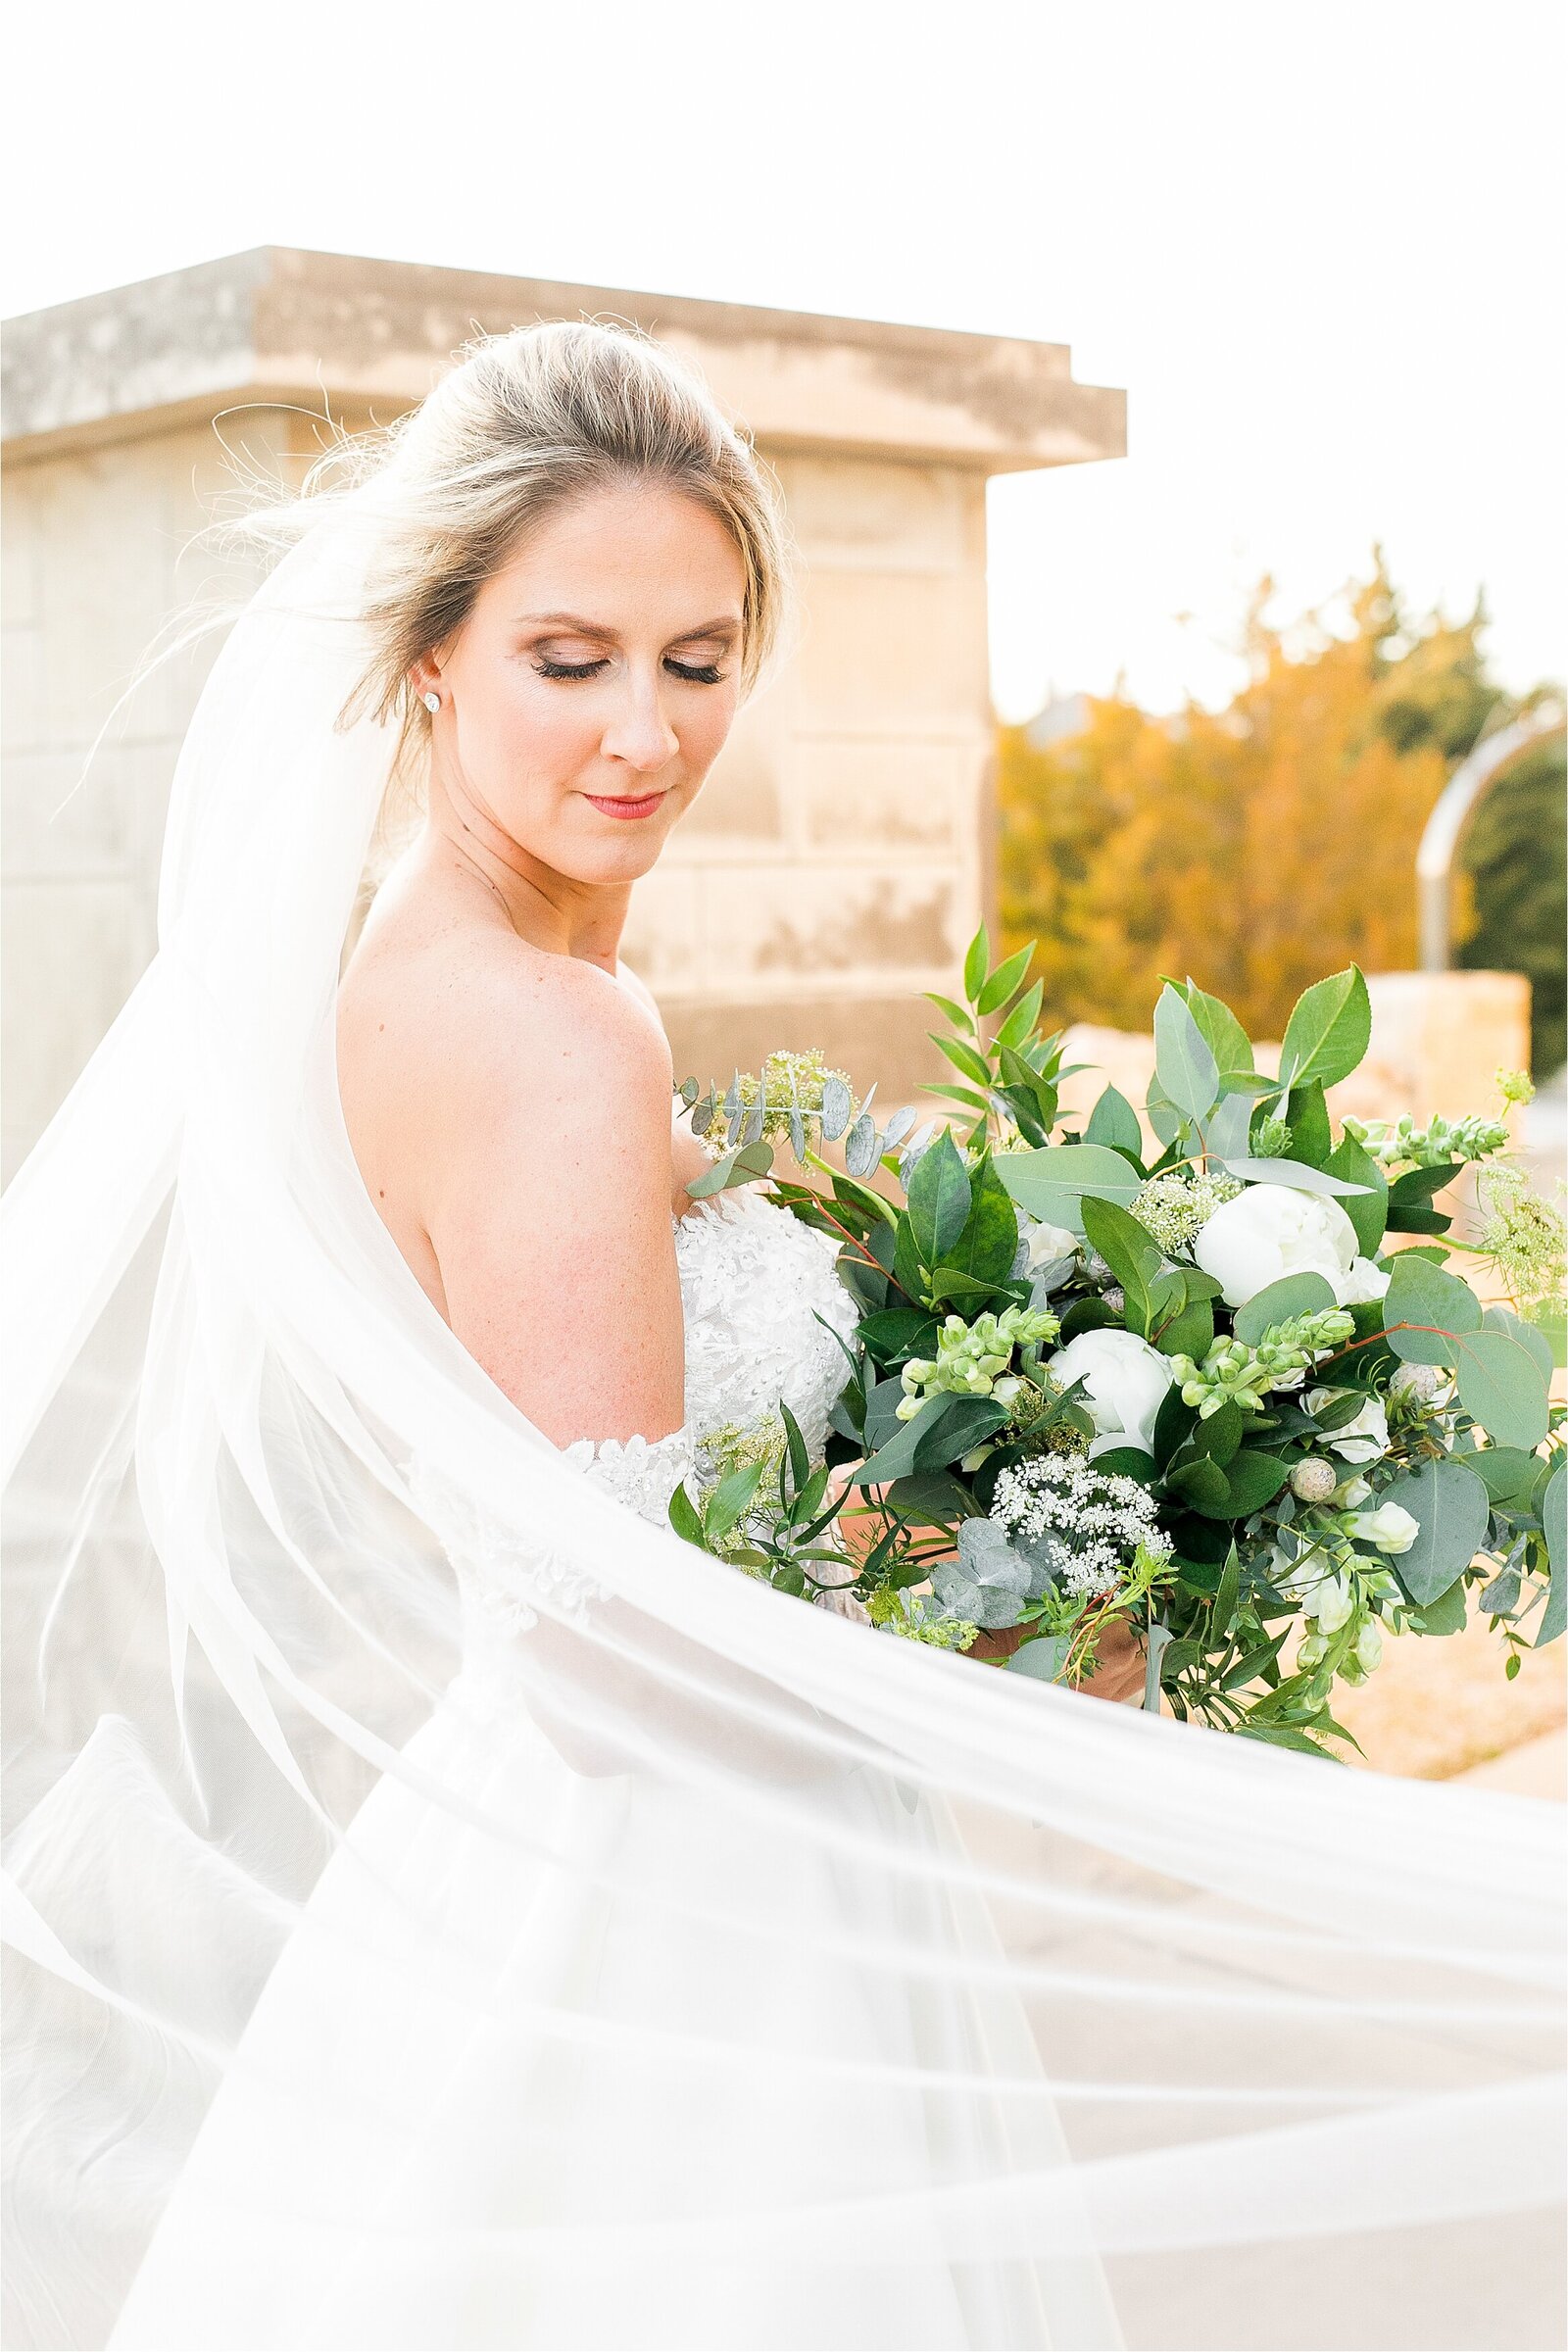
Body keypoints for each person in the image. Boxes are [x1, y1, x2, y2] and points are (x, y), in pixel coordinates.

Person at [2, 319, 1561, 2352]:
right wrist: (1016, 1618)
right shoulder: (550, 1032)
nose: (641, 730)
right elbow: (613, 1663)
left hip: (545, 1882)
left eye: (698, 657)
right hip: (694, 1943)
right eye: (571, 659)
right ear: (431, 656)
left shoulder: (406, 969)